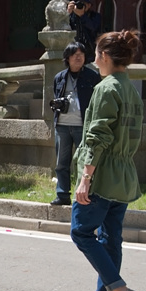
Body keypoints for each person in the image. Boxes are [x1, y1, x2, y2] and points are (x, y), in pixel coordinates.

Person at [68, 29, 146, 291]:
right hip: (123, 173)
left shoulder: (106, 88)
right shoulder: (131, 90)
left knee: (81, 232)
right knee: (111, 238)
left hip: (102, 174)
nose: (93, 60)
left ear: (104, 56)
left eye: (96, 54)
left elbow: (97, 136)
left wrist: (85, 178)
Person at [49, 43, 102, 206]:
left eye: (81, 54)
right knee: (61, 163)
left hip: (82, 126)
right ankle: (62, 194)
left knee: (84, 162)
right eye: (74, 54)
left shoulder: (92, 76)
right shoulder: (59, 77)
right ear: (67, 58)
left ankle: (85, 194)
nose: (78, 57)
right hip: (62, 125)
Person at [67, 0, 104, 64]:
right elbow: (65, 27)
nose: (80, 5)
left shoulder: (95, 16)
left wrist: (82, 16)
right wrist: (68, 13)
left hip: (90, 49)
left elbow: (93, 27)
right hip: (73, 48)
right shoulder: (71, 16)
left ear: (89, 5)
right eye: (78, 3)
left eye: (84, 3)